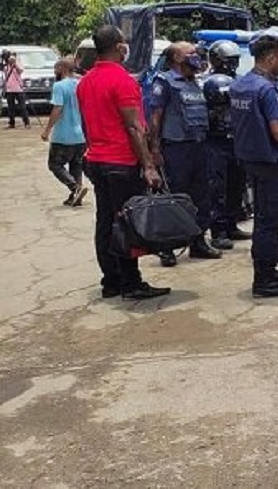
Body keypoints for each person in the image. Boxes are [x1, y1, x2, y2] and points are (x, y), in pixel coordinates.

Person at [76, 25, 170, 301]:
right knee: (127, 222)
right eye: (124, 43)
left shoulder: (86, 82)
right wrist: (149, 165)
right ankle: (131, 282)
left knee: (105, 221)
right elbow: (134, 127)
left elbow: (85, 123)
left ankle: (111, 280)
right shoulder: (123, 81)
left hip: (96, 160)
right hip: (121, 162)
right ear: (118, 47)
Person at [230, 28, 278, 298]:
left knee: (264, 218)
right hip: (270, 161)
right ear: (272, 57)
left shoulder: (241, 84)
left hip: (250, 159)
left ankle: (269, 270)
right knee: (268, 222)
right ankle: (264, 280)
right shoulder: (266, 89)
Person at [147, 42, 223, 266]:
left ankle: (198, 242)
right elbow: (155, 118)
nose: (195, 56)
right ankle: (167, 248)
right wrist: (154, 149)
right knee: (173, 199)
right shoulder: (165, 81)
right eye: (190, 53)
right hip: (176, 148)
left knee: (201, 197)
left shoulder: (195, 82)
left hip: (199, 145)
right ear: (177, 59)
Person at [202, 40, 253, 250]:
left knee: (237, 184)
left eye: (234, 60)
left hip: (237, 139)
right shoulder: (205, 82)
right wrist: (215, 109)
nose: (231, 64)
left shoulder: (240, 82)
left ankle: (232, 224)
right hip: (216, 140)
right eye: (227, 60)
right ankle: (218, 230)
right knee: (217, 187)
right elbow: (202, 112)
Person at [41, 58, 87, 207]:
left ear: (62, 68)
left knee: (54, 164)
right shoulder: (80, 84)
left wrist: (47, 130)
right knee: (76, 165)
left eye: (56, 68)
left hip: (63, 135)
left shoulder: (59, 86)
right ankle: (76, 195)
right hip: (80, 134)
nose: (55, 72)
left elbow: (58, 109)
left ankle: (75, 187)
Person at [3, 50, 31, 129]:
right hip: (9, 89)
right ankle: (11, 123)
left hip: (18, 88)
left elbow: (21, 70)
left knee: (22, 107)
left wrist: (14, 64)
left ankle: (26, 122)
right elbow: (4, 73)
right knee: (10, 107)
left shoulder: (18, 63)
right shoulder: (6, 65)